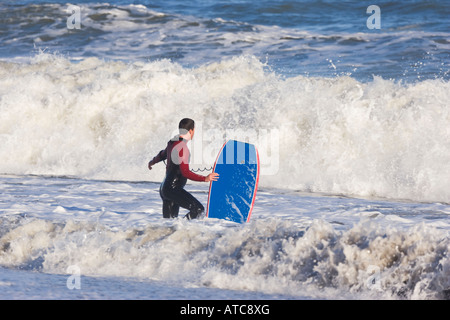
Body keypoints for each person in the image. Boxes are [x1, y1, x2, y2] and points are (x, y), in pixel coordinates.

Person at [148, 118, 219, 219]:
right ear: (191, 131)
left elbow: (163, 154)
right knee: (198, 209)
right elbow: (185, 172)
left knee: (170, 224)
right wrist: (205, 178)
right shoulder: (182, 148)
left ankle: (177, 232)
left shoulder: (172, 142)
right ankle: (182, 232)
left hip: (165, 189)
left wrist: (152, 162)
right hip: (173, 189)